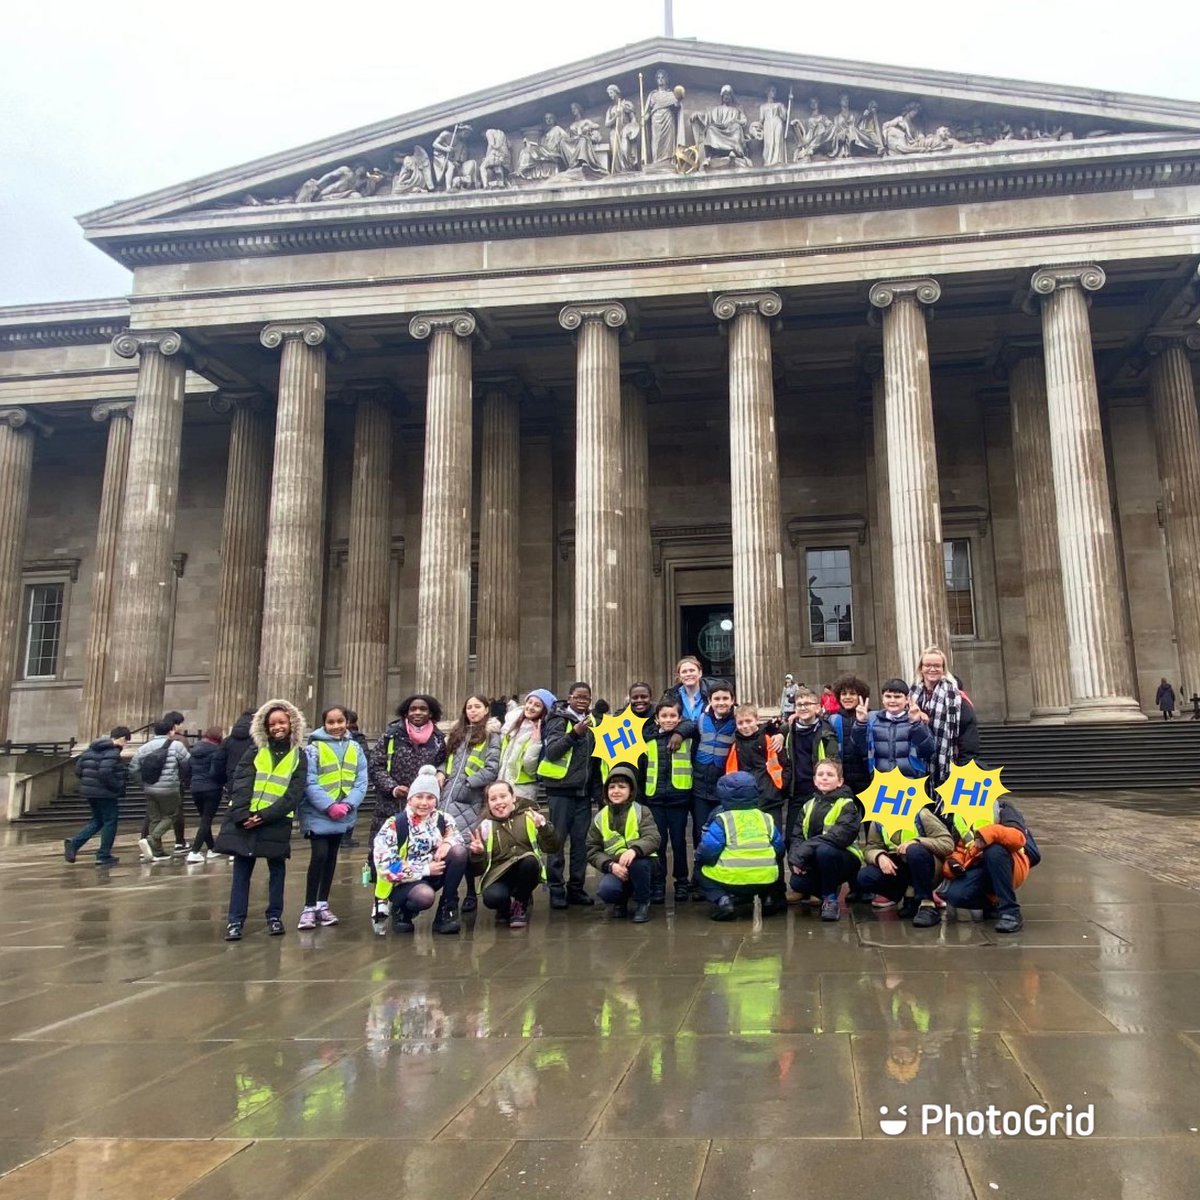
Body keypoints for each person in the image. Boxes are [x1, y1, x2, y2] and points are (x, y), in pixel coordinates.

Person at [215, 699, 309, 941]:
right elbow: (242, 782)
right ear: (265, 727)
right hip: (245, 821)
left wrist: (264, 816)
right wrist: (243, 815)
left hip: (275, 821)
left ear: (292, 724)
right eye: (272, 723)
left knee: (276, 871)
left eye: (282, 722)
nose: (278, 727)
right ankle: (235, 921)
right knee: (241, 872)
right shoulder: (255, 750)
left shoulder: (299, 755)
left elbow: (294, 793)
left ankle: (274, 917)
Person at [367, 694, 447, 921]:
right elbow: (376, 765)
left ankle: (406, 904)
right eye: (413, 709)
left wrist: (440, 774)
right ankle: (382, 899)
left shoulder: (438, 739)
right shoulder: (391, 735)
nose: (418, 713)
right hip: (392, 804)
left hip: (423, 808)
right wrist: (393, 788)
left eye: (423, 709)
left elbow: (444, 761)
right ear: (406, 712)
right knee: (384, 854)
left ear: (431, 712)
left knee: (417, 851)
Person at [371, 764, 467, 935]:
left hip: (434, 875)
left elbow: (459, 839)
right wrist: (425, 869)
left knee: (459, 852)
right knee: (425, 896)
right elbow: (385, 868)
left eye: (430, 797)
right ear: (410, 799)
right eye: (419, 797)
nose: (424, 803)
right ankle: (402, 911)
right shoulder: (395, 824)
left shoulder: (444, 820)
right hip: (403, 882)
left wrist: (447, 843)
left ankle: (446, 909)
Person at [297, 705, 367, 930]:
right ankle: (309, 907)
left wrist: (348, 804)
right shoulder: (313, 748)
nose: (336, 726)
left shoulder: (355, 747)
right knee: (319, 856)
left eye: (340, 721)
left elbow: (361, 780)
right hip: (318, 812)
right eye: (331, 722)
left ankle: (322, 903)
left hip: (343, 811)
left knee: (331, 859)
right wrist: (329, 806)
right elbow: (309, 780)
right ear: (324, 724)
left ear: (347, 722)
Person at [537, 681, 598, 908]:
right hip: (560, 791)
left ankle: (576, 888)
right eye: (578, 697)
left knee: (581, 844)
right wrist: (574, 734)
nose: (582, 701)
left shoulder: (592, 723)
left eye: (586, 698)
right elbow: (552, 752)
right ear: (569, 698)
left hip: (583, 793)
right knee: (556, 842)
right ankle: (555, 889)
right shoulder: (557, 720)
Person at [940, 797, 1041, 934]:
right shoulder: (960, 815)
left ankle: (1010, 912)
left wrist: (987, 835)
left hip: (1008, 865)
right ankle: (993, 904)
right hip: (979, 866)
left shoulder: (1002, 808)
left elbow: (1018, 838)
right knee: (954, 895)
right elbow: (961, 847)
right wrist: (953, 863)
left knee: (994, 851)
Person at [695, 770, 784, 921]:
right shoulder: (765, 817)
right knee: (774, 863)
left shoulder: (722, 819)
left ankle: (723, 900)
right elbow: (779, 849)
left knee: (699, 870)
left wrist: (702, 859)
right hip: (764, 879)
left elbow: (707, 851)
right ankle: (768, 898)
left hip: (732, 881)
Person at [470, 780, 559, 929]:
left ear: (513, 798)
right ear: (488, 804)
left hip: (525, 871)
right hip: (498, 876)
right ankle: (504, 909)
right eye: (493, 799)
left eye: (503, 796)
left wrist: (544, 828)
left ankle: (520, 904)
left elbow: (552, 847)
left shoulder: (529, 818)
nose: (499, 802)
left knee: (530, 861)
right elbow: (477, 870)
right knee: (492, 898)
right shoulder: (484, 827)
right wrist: (477, 854)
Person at [441, 695, 502, 912]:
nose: (473, 711)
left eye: (477, 707)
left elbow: (492, 767)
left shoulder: (492, 735)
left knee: (469, 849)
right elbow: (445, 759)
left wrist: (469, 783)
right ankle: (451, 894)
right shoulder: (456, 734)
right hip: (447, 799)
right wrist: (440, 773)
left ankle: (470, 892)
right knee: (451, 847)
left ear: (487, 710)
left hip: (471, 800)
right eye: (469, 707)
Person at [856, 796, 954, 927]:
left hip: (927, 867)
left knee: (914, 851)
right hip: (899, 868)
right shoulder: (878, 818)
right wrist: (879, 856)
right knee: (865, 876)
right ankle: (909, 898)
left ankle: (927, 905)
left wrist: (917, 841)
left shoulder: (921, 814)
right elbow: (871, 847)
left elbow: (947, 843)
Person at [787, 759, 864, 921]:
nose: (824, 778)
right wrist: (796, 860)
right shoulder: (808, 805)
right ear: (814, 780)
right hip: (817, 858)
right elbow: (797, 836)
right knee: (797, 883)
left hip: (845, 858)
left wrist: (805, 850)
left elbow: (839, 836)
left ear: (840, 781)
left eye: (830, 774)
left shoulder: (847, 804)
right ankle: (828, 887)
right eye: (820, 774)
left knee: (825, 851)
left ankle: (830, 899)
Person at [586, 764, 660, 923]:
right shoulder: (600, 817)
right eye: (611, 787)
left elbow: (653, 838)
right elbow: (592, 850)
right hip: (616, 866)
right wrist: (609, 866)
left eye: (621, 786)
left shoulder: (642, 811)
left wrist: (634, 850)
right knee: (607, 890)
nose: (616, 791)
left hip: (643, 862)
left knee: (638, 865)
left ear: (631, 791)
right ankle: (620, 902)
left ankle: (643, 903)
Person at [642, 697, 694, 904]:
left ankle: (681, 882)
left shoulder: (688, 738)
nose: (669, 720)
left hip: (679, 798)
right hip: (655, 799)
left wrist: (681, 732)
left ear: (680, 718)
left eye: (673, 716)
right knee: (658, 845)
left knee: (680, 843)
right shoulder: (648, 740)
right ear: (657, 719)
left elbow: (695, 726)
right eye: (664, 716)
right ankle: (658, 885)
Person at [909, 647, 980, 786]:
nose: (932, 669)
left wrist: (964, 768)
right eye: (928, 665)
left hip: (948, 767)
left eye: (937, 665)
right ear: (921, 668)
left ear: (943, 669)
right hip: (917, 767)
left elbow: (969, 739)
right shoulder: (911, 696)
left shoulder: (957, 699)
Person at [64, 725, 131, 866]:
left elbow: (78, 769)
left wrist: (88, 782)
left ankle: (74, 843)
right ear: (122, 739)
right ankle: (103, 854)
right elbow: (105, 771)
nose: (125, 746)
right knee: (110, 821)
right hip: (106, 792)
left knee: (98, 820)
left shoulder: (90, 749)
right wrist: (116, 786)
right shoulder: (113, 751)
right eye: (126, 742)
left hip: (90, 791)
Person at [132, 714, 191, 863]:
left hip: (150, 788)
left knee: (154, 818)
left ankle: (157, 852)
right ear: (171, 731)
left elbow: (133, 768)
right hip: (170, 787)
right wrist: (182, 779)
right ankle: (152, 839)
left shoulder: (144, 747)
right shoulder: (176, 745)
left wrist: (142, 783)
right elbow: (188, 763)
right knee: (172, 815)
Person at [851, 678, 936, 778]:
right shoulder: (872, 720)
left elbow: (928, 750)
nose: (892, 700)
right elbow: (859, 748)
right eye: (888, 696)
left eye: (897, 697)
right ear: (882, 699)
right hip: (881, 782)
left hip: (910, 783)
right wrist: (860, 723)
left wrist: (917, 724)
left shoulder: (915, 719)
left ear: (907, 699)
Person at [783, 689, 839, 844]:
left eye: (807, 704)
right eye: (799, 704)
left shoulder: (827, 731)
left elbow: (834, 761)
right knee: (791, 839)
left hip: (820, 792)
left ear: (817, 707)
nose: (803, 708)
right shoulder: (787, 730)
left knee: (817, 838)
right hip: (797, 792)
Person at [725, 703, 789, 834]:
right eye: (740, 723)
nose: (745, 726)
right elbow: (731, 772)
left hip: (771, 798)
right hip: (747, 801)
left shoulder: (769, 740)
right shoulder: (735, 745)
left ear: (757, 720)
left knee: (774, 836)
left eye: (748, 721)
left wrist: (778, 788)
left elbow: (785, 765)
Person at [498, 688, 555, 810]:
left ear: (544, 711)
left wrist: (535, 743)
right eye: (529, 702)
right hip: (503, 784)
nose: (530, 707)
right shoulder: (512, 725)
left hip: (523, 790)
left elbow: (530, 769)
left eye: (537, 705)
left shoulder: (542, 733)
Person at [185, 726, 226, 863]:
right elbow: (217, 771)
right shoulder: (216, 751)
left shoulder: (194, 749)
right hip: (211, 788)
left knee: (204, 818)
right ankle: (194, 851)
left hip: (196, 787)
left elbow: (188, 768)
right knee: (206, 820)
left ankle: (211, 848)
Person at [827, 674, 872, 797]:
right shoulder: (832, 720)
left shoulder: (872, 718)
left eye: (852, 693)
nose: (847, 697)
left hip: (868, 779)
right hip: (844, 780)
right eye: (843, 694)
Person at [340, 709, 369, 848]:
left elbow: (364, 758)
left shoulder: (357, 739)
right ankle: (343, 837)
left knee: (350, 808)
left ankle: (345, 837)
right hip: (341, 780)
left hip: (351, 780)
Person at [665, 656, 715, 723]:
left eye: (692, 670)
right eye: (684, 672)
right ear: (679, 676)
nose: (688, 674)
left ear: (700, 673)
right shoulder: (670, 695)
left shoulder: (712, 692)